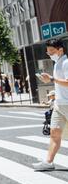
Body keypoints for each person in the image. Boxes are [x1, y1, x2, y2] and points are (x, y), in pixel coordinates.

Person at [33, 39, 68, 171]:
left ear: (60, 49)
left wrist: (52, 79)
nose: (50, 54)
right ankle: (48, 162)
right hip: (59, 105)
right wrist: (48, 80)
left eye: (52, 51)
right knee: (54, 133)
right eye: (48, 53)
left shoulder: (65, 63)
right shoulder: (57, 63)